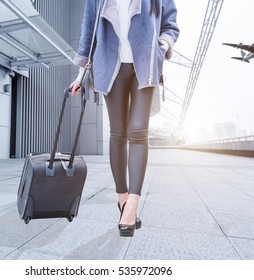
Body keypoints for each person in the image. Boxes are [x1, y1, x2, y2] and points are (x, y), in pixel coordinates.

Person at [70, 0, 180, 237]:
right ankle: (122, 199)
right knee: (118, 134)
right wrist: (80, 75)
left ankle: (132, 204)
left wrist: (160, 46)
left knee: (138, 131)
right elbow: (88, 32)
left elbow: (170, 25)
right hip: (110, 66)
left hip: (145, 64)